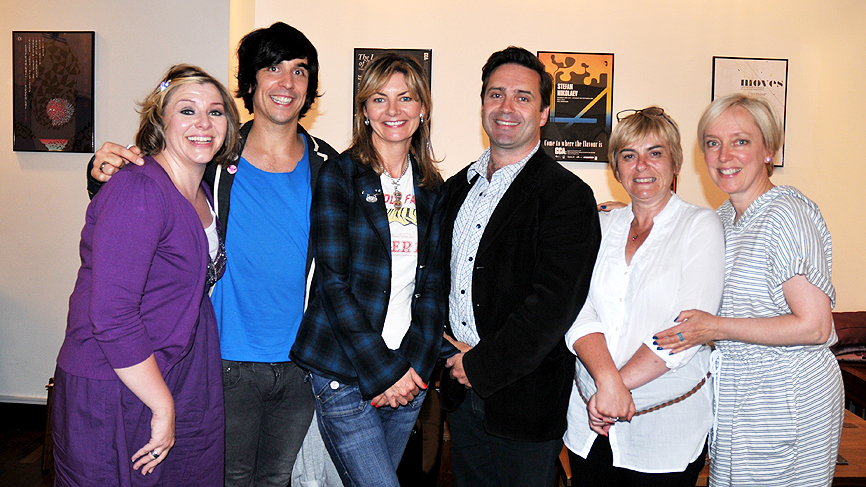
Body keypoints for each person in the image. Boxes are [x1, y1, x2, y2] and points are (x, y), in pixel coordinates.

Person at [86, 22, 341, 487]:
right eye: (272, 68)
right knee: (226, 477)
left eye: (300, 71)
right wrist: (100, 169)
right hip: (220, 357)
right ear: (249, 83)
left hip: (301, 361)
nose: (286, 82)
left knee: (276, 478)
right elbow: (151, 184)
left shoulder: (332, 167)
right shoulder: (212, 157)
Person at [54, 64, 240, 486]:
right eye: (187, 110)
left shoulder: (201, 192)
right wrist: (162, 405)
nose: (203, 123)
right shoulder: (138, 189)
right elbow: (112, 313)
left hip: (172, 369)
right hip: (114, 380)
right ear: (160, 121)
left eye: (215, 112)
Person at [655, 93, 843, 486]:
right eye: (712, 142)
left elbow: (815, 327)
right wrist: (621, 215)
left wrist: (716, 328)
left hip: (786, 396)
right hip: (742, 394)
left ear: (768, 149)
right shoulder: (725, 217)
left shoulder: (786, 213)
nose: (724, 155)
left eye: (740, 141)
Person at [289, 52, 452, 487]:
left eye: (405, 98)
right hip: (345, 370)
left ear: (422, 109)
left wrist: (412, 368)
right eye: (379, 100)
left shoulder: (433, 189)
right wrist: (386, 373)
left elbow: (433, 285)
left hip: (409, 372)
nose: (393, 111)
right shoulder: (339, 175)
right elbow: (333, 284)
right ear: (364, 110)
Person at [441, 46, 601, 487]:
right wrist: (452, 362)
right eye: (496, 94)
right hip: (460, 392)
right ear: (482, 105)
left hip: (525, 402)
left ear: (545, 112)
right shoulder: (457, 188)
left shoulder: (567, 196)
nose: (506, 107)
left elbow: (553, 306)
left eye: (522, 97)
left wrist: (481, 366)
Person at [564, 107, 724, 486]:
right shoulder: (602, 225)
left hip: (663, 430)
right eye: (628, 155)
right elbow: (577, 308)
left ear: (675, 163)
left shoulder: (700, 226)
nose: (642, 166)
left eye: (655, 152)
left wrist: (612, 390)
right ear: (615, 169)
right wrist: (608, 385)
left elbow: (686, 331)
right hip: (590, 423)